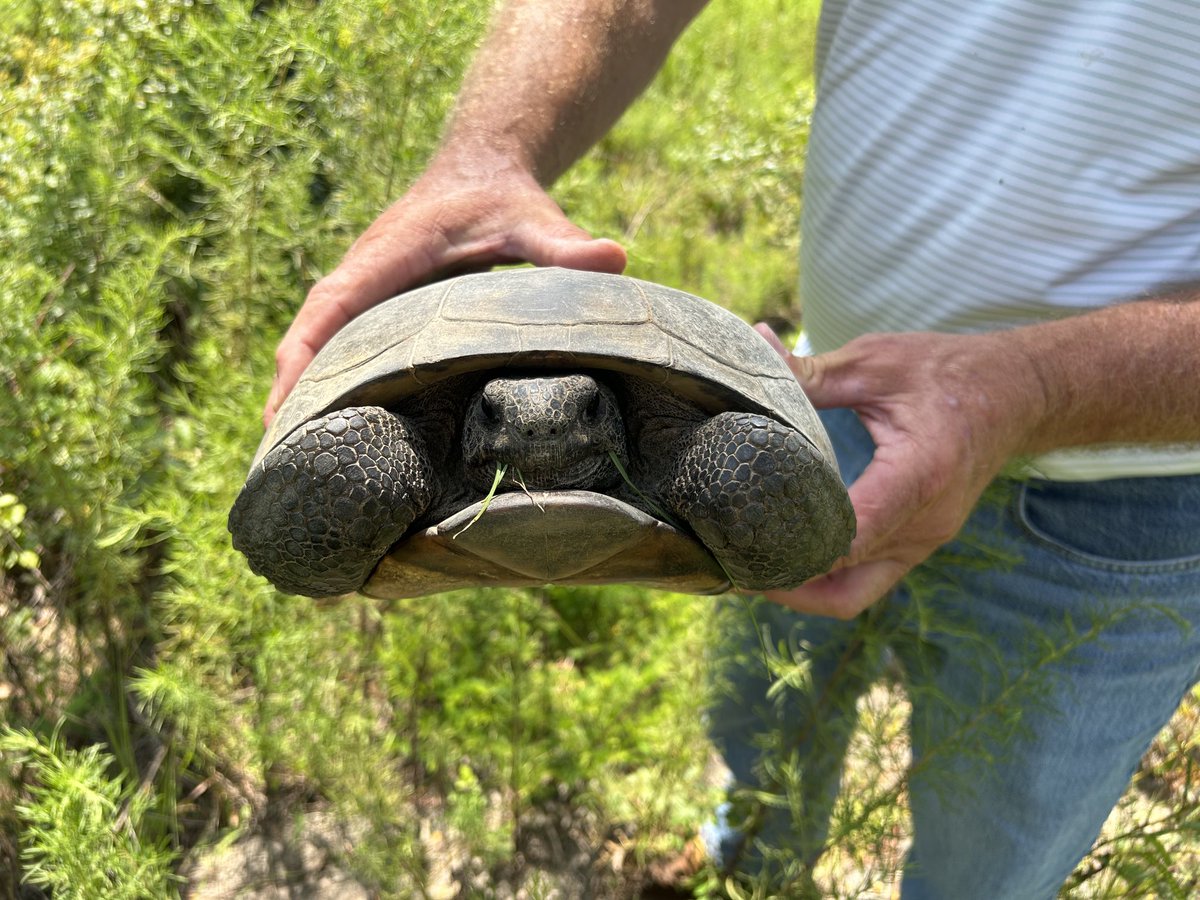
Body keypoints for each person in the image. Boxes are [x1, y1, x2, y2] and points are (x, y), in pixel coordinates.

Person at [264, 1, 1200, 896]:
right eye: (503, 420)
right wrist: (487, 152)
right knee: (762, 710)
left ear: (613, 415)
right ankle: (749, 858)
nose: (541, 432)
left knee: (993, 840)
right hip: (840, 394)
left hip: (1133, 498)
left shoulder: (715, 456)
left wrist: (1032, 388)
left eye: (581, 413)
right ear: (470, 420)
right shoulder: (421, 445)